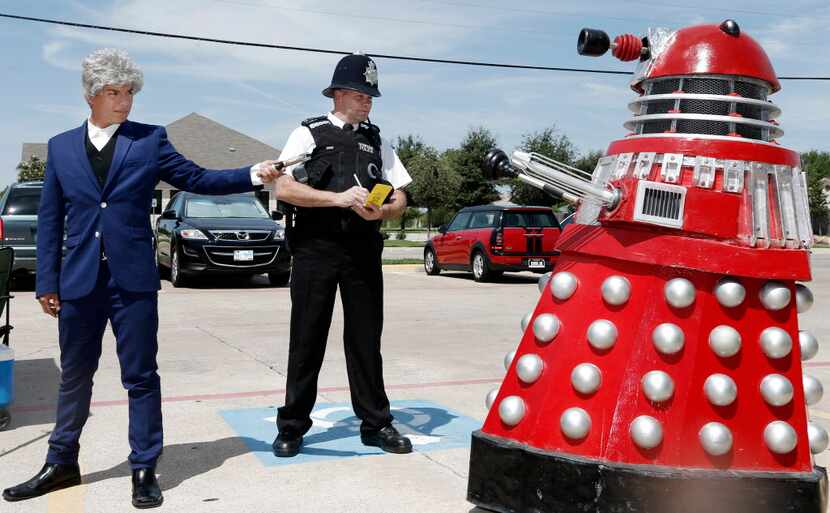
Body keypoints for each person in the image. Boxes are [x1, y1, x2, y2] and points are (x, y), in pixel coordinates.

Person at [1, 48, 282, 509]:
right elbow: (50, 219)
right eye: (114, 93)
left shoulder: (150, 140)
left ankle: (144, 467)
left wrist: (253, 173)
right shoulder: (61, 146)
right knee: (74, 376)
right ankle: (61, 461)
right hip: (79, 282)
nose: (124, 102)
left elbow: (198, 178)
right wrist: (45, 282)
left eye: (129, 92)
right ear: (92, 95)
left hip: (131, 281)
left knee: (141, 376)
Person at [272, 53, 413, 457]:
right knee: (307, 338)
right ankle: (293, 426)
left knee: (366, 339)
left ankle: (376, 423)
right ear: (337, 93)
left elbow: (401, 192)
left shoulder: (377, 139)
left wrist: (383, 209)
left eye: (371, 96)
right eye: (359, 94)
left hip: (363, 250)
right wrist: (336, 199)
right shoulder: (309, 134)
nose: (367, 102)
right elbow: (283, 188)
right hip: (316, 248)